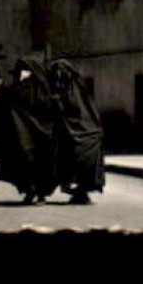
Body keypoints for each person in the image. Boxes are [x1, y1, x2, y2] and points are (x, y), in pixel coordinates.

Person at [0, 56, 61, 205]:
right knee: (34, 164)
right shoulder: (43, 90)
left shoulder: (24, 90)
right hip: (38, 135)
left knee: (32, 163)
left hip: (32, 136)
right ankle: (34, 193)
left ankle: (36, 193)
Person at [48, 59, 106, 206]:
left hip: (83, 133)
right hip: (71, 133)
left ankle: (81, 192)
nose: (58, 77)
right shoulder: (63, 90)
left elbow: (77, 113)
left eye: (61, 74)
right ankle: (78, 191)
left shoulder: (75, 91)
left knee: (79, 160)